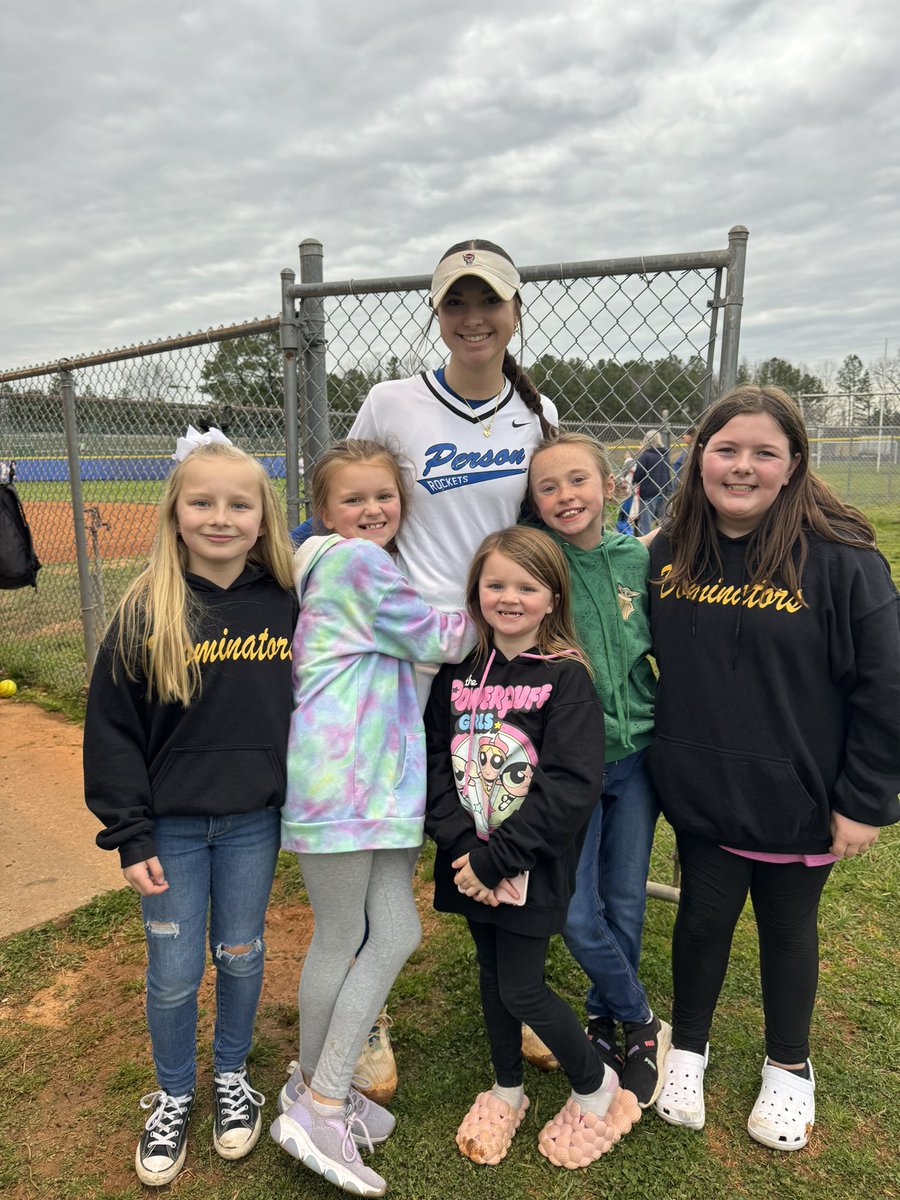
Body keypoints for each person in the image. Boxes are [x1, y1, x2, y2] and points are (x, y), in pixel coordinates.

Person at [647, 386, 899, 1150]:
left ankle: (789, 1065)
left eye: (765, 453)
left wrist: (864, 801)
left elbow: (885, 689)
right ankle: (687, 1045)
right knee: (703, 919)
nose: (743, 467)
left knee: (788, 928)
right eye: (727, 449)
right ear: (699, 458)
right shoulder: (669, 553)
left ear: (793, 465)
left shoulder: (844, 562)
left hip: (802, 799)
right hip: (704, 793)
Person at [347, 238, 560, 1087]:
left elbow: (549, 531)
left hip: (498, 647)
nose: (474, 318)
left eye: (490, 302)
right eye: (455, 303)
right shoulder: (392, 402)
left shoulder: (536, 419)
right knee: (392, 830)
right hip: (404, 652)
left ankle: (523, 991)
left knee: (503, 813)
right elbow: (352, 500)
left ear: (514, 312)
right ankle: (369, 1014)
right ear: (437, 314)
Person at [83, 427, 297, 1186]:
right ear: (175, 513)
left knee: (240, 954)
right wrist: (129, 832)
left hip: (252, 824)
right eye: (201, 502)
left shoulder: (286, 601)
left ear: (263, 518)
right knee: (174, 971)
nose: (221, 517)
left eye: (240, 504)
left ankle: (231, 1078)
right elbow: (111, 732)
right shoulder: (147, 610)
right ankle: (175, 1092)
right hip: (169, 828)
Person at [270, 439, 475, 1198]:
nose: (371, 510)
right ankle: (321, 1103)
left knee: (389, 929)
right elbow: (437, 636)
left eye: (383, 497)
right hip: (344, 784)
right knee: (350, 935)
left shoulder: (355, 562)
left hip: (378, 785)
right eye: (352, 499)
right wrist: (501, 605)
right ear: (323, 512)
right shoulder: (354, 564)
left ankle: (312, 1087)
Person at [424, 526, 642, 1170]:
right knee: (492, 979)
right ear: (476, 593)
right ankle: (507, 1087)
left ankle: (598, 1087)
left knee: (522, 989)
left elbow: (570, 787)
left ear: (552, 598)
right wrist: (464, 848)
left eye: (526, 586)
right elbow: (439, 763)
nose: (509, 597)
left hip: (529, 866)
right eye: (496, 584)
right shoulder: (457, 675)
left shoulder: (566, 678)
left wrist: (498, 858)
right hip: (468, 864)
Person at [527, 432, 670, 1107]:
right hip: (571, 765)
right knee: (577, 914)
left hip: (637, 758)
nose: (566, 496)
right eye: (548, 487)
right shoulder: (538, 565)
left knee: (625, 900)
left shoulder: (635, 560)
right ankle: (642, 1017)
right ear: (533, 502)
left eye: (578, 481)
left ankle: (608, 1022)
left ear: (611, 486)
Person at [632, 429, 671, 534]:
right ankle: (663, 544)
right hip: (664, 492)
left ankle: (645, 546)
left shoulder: (645, 456)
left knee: (645, 525)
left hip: (648, 494)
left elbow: (638, 475)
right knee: (663, 524)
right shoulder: (664, 455)